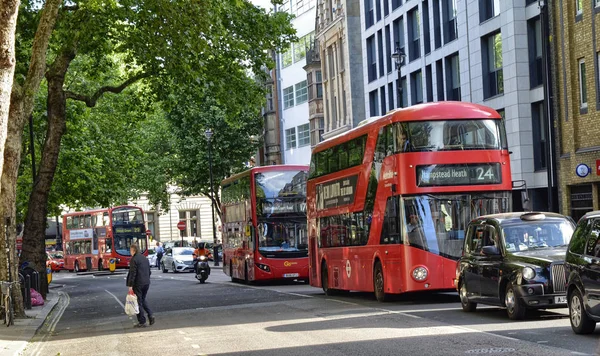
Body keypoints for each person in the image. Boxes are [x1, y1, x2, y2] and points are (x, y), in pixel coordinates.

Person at [126, 243, 154, 328]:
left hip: (138, 283)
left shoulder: (134, 259)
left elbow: (133, 273)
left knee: (138, 302)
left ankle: (142, 321)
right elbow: (149, 271)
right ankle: (150, 315)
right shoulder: (144, 258)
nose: (130, 252)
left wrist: (130, 285)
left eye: (130, 250)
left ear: (133, 250)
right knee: (143, 299)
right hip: (146, 282)